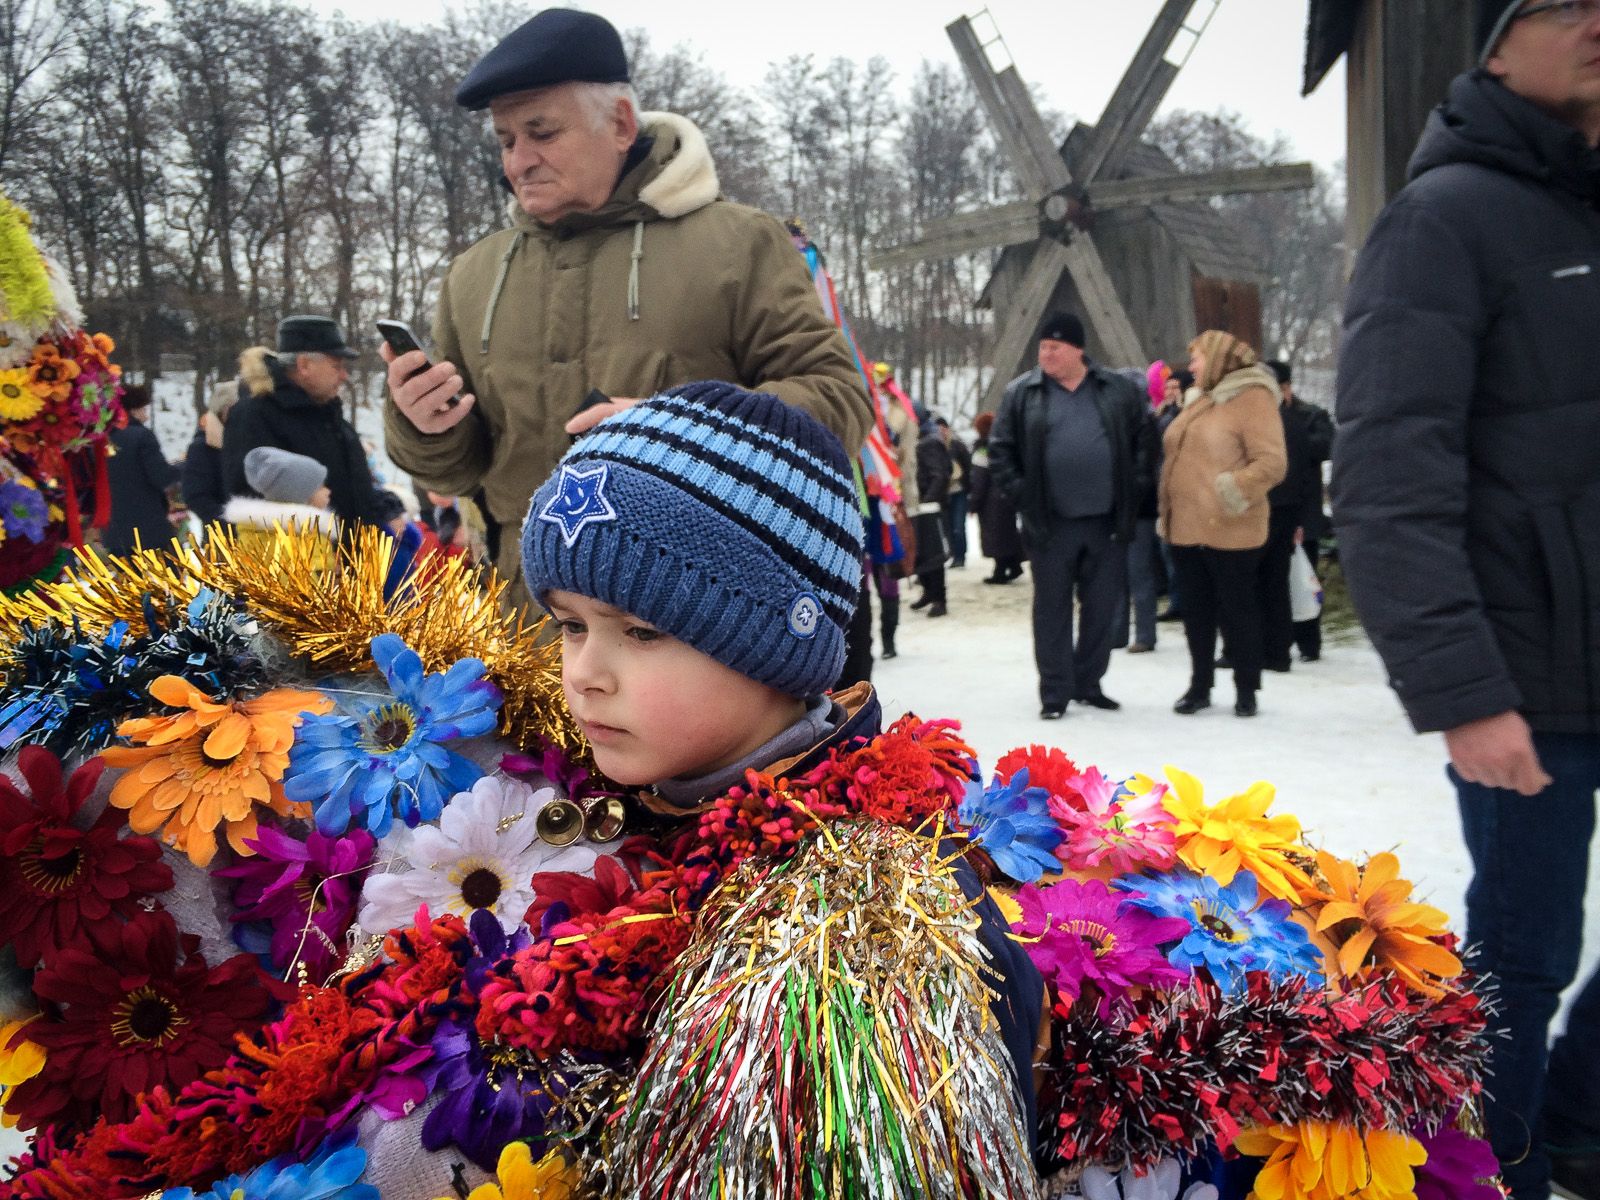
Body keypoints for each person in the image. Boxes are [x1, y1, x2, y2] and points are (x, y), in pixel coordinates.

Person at [519, 380, 1043, 1163]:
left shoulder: (864, 933)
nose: (585, 674)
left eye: (641, 631)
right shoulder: (624, 801)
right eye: (569, 626)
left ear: (772, 648)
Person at [1332, 5, 1600, 1197]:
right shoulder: (1439, 222)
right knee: (1524, 950)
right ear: (1494, 39)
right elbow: (1388, 474)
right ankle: (1496, 1168)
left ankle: (1580, 1118)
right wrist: (1462, 691)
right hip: (1529, 669)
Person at [381, 9, 871, 609]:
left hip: (695, 611)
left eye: (543, 132)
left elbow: (841, 398)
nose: (519, 161)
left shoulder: (739, 243)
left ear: (618, 123)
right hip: (522, 623)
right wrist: (425, 423)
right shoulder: (472, 275)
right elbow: (456, 472)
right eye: (506, 141)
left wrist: (688, 433)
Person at [989, 311, 1154, 718]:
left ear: (1077, 349)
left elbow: (1144, 444)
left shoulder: (1115, 390)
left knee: (1102, 607)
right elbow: (1000, 450)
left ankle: (1089, 682)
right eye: (1042, 347)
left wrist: (1134, 490)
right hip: (1050, 524)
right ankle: (1055, 692)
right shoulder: (1022, 393)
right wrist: (1023, 495)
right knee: (1052, 609)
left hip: (1106, 522)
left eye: (1054, 347)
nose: (1045, 354)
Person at [1158, 331, 1285, 718]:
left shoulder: (1252, 396)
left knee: (1237, 610)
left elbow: (1272, 462)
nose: (1190, 367)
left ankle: (1246, 689)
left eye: (1196, 359)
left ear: (1217, 359)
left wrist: (1231, 489)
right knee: (1196, 611)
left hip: (1231, 525)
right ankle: (1200, 685)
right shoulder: (1203, 400)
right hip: (1186, 527)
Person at [224, 317, 388, 528]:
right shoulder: (255, 416)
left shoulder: (332, 418)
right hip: (306, 558)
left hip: (360, 556)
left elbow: (358, 492)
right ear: (304, 365)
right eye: (336, 366)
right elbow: (252, 508)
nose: (344, 375)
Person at [1261, 360, 1333, 667]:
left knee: (1305, 577)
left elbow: (1325, 448)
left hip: (1305, 512)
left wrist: (1293, 432)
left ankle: (1309, 641)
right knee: (1277, 580)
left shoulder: (1311, 416)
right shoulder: (1264, 420)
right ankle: (1280, 638)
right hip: (1275, 513)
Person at [103, 384, 180, 556]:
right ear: (133, 409)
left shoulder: (102, 439)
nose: (145, 416)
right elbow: (161, 477)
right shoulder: (142, 436)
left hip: (114, 531)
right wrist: (184, 466)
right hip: (149, 529)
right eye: (143, 409)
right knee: (174, 578)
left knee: (128, 581)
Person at [1155, 367, 1194, 623]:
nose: (1170, 392)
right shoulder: (1163, 414)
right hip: (1163, 487)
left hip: (1185, 490)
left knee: (1181, 551)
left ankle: (1186, 601)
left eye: (1175, 387)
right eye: (1167, 387)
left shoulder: (1185, 415)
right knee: (1167, 549)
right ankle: (1176, 599)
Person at [968, 410, 1025, 584]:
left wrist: (973, 503)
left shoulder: (982, 451)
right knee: (1007, 535)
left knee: (995, 537)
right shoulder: (1005, 445)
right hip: (1006, 497)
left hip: (990, 502)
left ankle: (1001, 570)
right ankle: (1012, 565)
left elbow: (979, 480)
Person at [909, 409, 951, 618]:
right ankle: (928, 592)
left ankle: (939, 599)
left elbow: (940, 475)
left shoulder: (929, 443)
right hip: (919, 505)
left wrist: (928, 502)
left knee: (933, 555)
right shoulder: (923, 440)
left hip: (928, 507)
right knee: (921, 553)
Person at [938, 417, 971, 569]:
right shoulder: (935, 447)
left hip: (959, 491)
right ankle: (953, 553)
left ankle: (960, 555)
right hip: (944, 493)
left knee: (958, 525)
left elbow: (968, 467)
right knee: (948, 526)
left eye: (943, 428)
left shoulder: (957, 446)